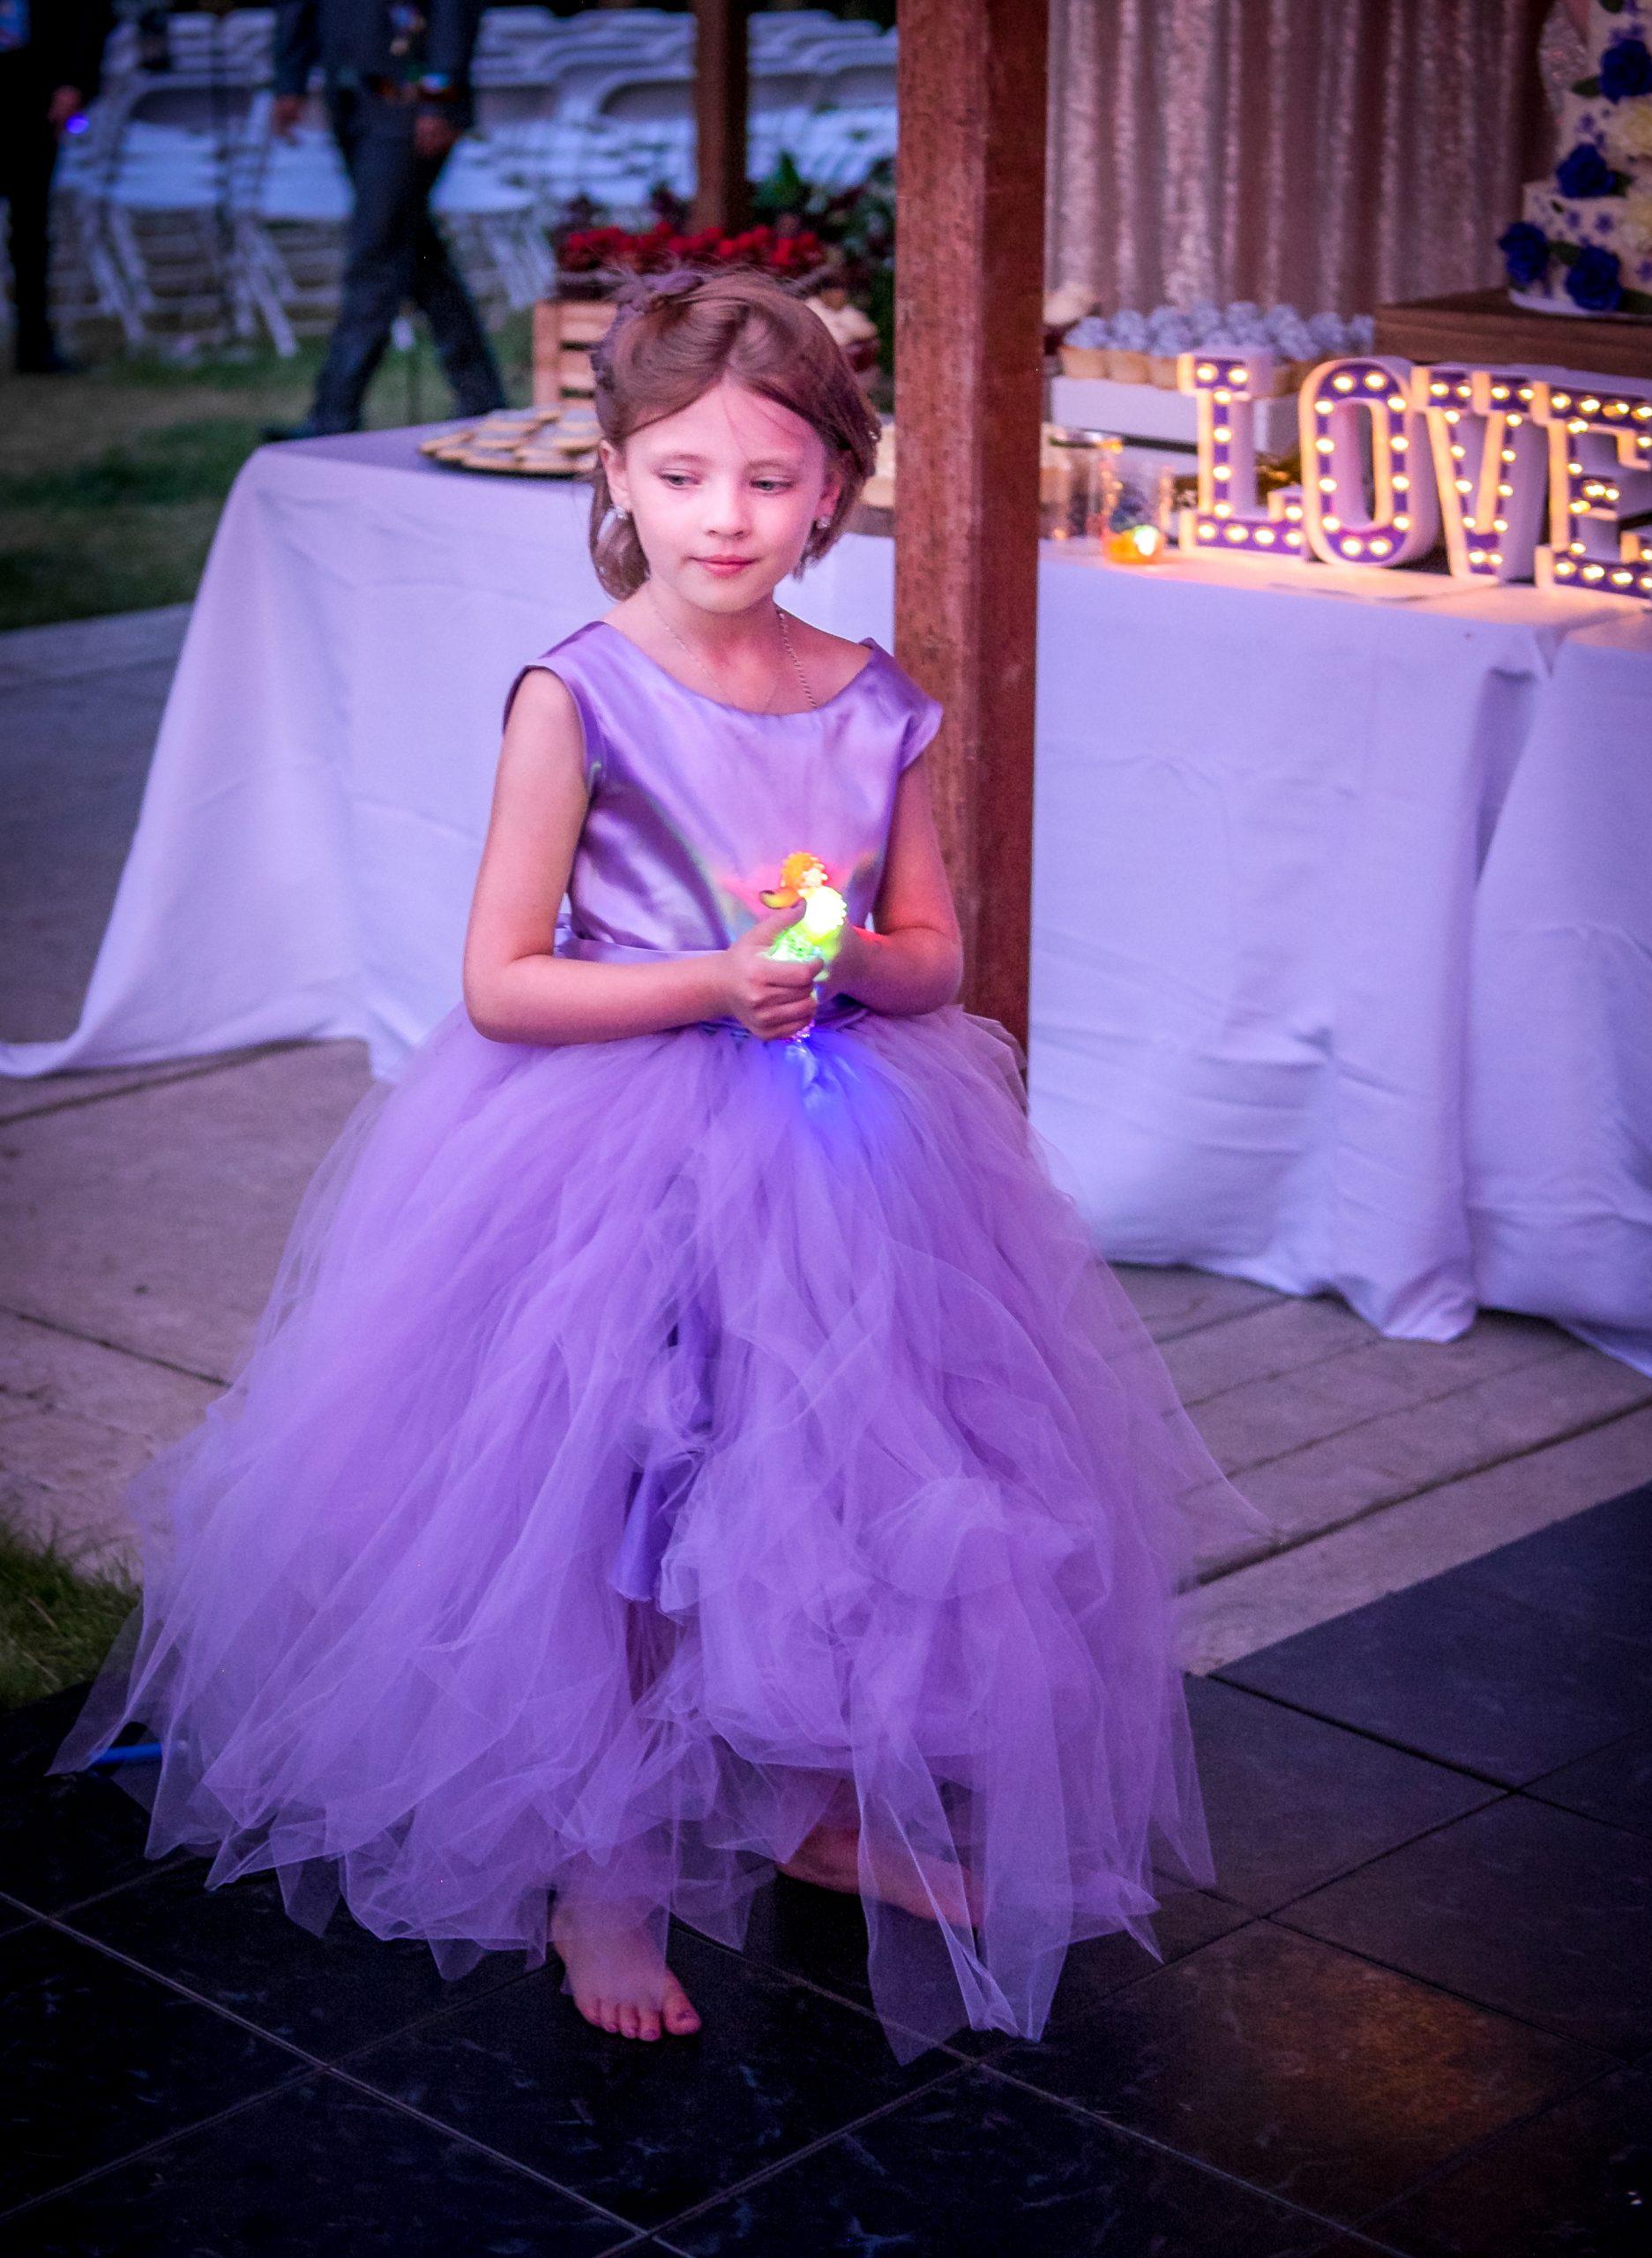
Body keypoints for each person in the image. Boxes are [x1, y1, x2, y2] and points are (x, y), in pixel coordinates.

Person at [60, 271, 1241, 2060]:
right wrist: (714, 980)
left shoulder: (870, 697)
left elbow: (931, 951)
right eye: (684, 475)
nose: (725, 516)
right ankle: (600, 1863)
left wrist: (836, 964)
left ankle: (821, 1798)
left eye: (769, 481)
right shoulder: (579, 696)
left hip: (849, 1155)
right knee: (628, 1511)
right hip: (603, 1153)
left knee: (837, 1492)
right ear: (615, 477)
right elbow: (502, 982)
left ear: (832, 492)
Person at [271, 0, 503, 435]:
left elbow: (453, 15)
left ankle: (333, 412)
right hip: (352, 96)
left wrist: (440, 98)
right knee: (413, 248)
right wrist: (290, 81)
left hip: (411, 102)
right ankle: (481, 397)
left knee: (375, 249)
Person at [0, 0, 113, 373]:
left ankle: (35, 344)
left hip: (30, 89)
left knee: (30, 227)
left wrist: (75, 81)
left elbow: (88, 14)